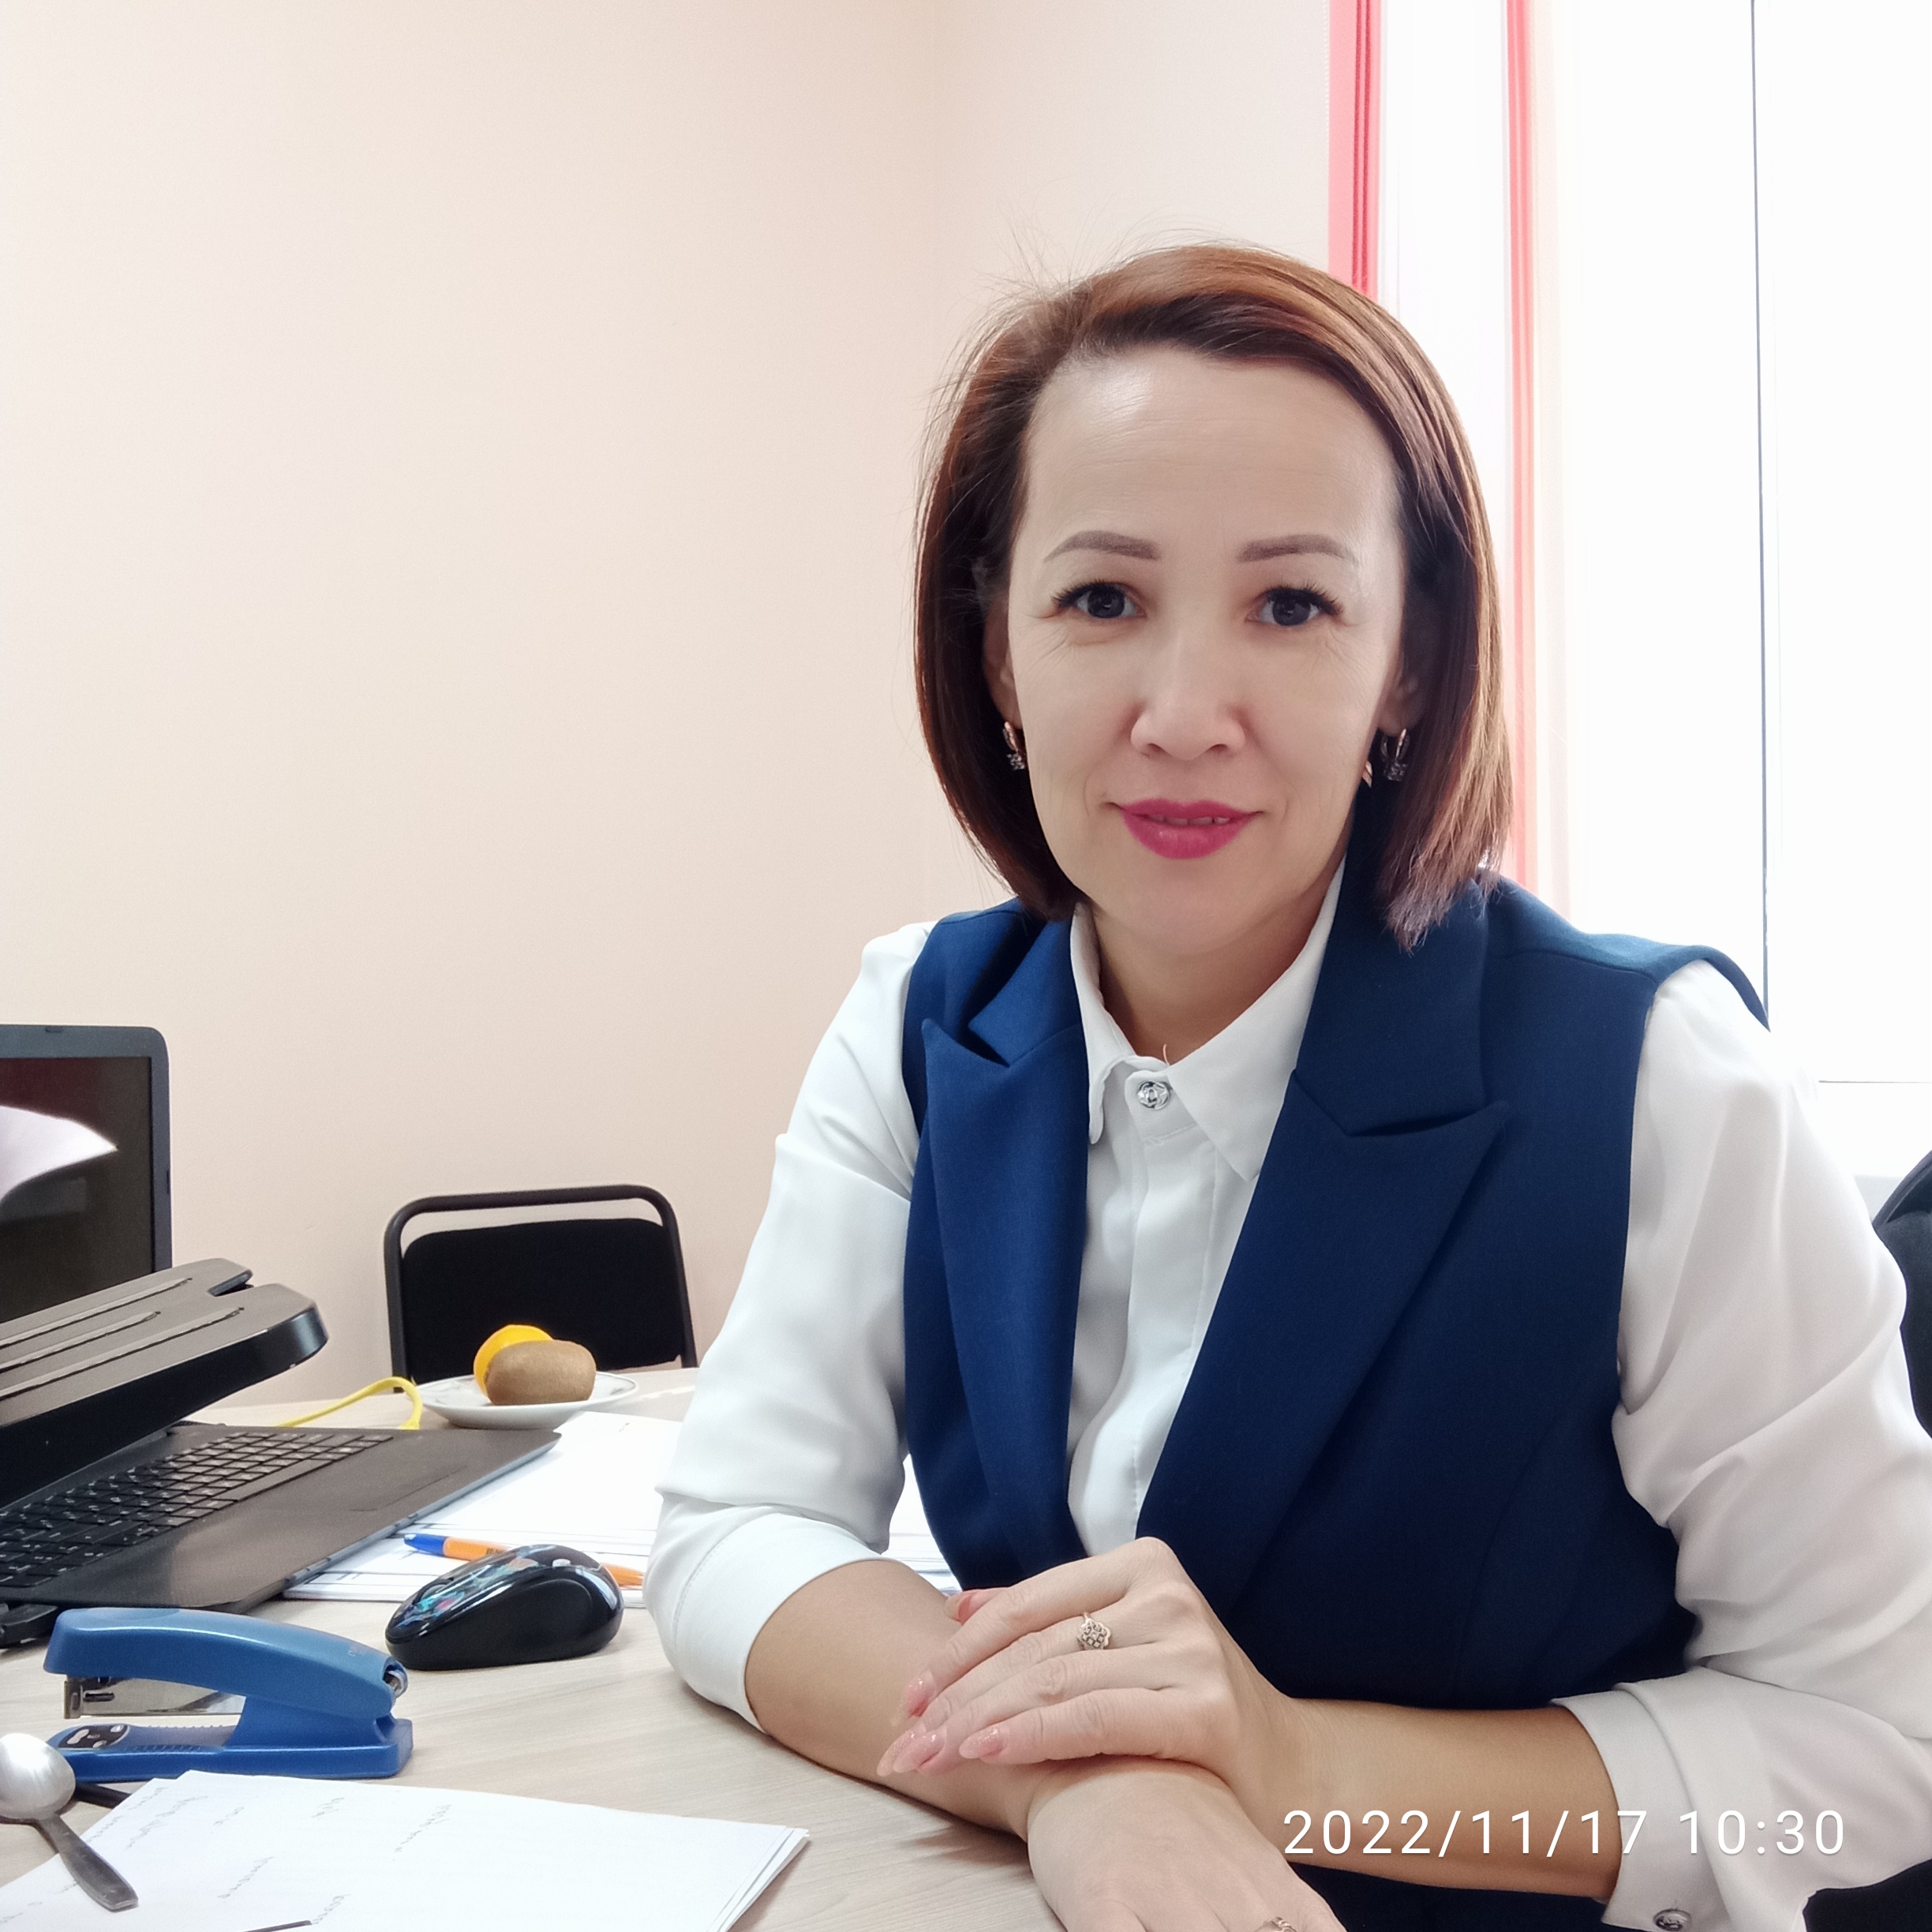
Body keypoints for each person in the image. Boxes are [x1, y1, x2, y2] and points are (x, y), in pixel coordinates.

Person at [646, 245, 1932, 1932]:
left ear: (1409, 667)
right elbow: (737, 1523)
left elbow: (1876, 1752)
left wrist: (1291, 1765)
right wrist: (1082, 1779)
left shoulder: (1659, 1085)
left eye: (1293, 606)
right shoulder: (922, 1022)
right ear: (998, 654)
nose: (1185, 715)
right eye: (1101, 600)